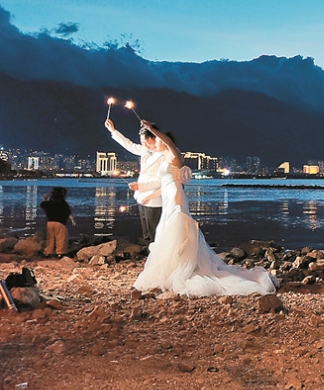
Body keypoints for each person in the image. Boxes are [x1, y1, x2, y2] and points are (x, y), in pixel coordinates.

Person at [131, 121, 277, 297]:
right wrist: (148, 195)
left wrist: (152, 129)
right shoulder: (161, 158)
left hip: (176, 200)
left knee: (177, 230)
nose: (158, 142)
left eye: (161, 140)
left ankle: (182, 268)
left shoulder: (174, 157)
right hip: (168, 197)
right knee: (164, 232)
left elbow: (169, 146)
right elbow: (164, 183)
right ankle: (172, 268)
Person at [105, 118, 164, 243]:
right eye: (142, 142)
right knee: (146, 231)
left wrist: (140, 186)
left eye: (147, 142)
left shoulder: (164, 156)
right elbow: (128, 144)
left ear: (155, 139)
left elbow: (161, 181)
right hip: (142, 195)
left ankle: (157, 256)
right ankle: (148, 254)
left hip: (155, 198)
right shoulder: (144, 150)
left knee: (155, 230)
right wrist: (113, 131)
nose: (145, 145)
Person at [40, 187, 75, 257]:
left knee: (50, 238)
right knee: (61, 239)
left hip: (50, 223)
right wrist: (72, 220)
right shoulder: (63, 204)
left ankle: (48, 252)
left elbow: (42, 205)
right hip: (60, 223)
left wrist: (44, 198)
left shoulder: (49, 203)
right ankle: (60, 253)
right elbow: (68, 213)